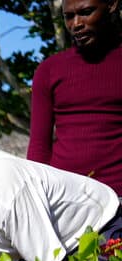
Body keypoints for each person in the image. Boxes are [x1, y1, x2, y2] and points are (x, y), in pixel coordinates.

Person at [28, 0, 122, 196]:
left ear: (112, 5)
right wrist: (36, 198)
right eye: (68, 16)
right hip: (65, 201)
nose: (76, 24)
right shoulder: (49, 70)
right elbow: (39, 146)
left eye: (86, 12)